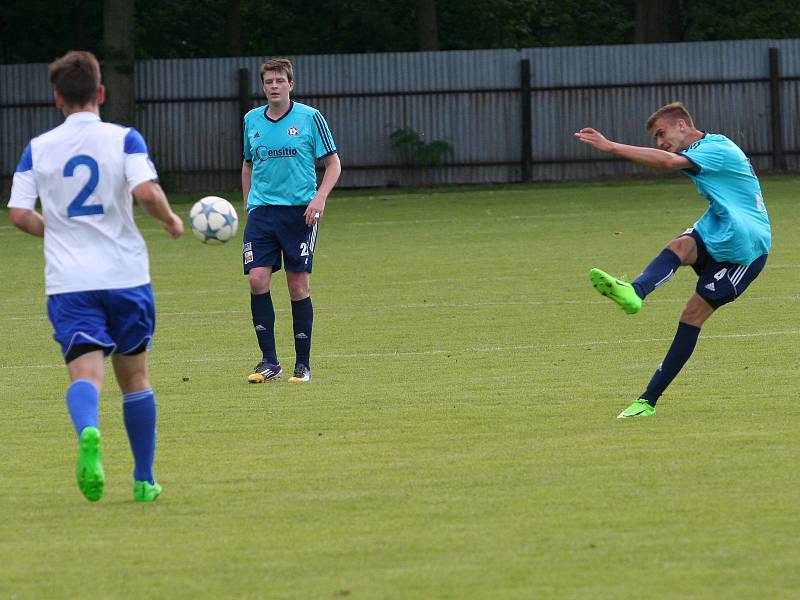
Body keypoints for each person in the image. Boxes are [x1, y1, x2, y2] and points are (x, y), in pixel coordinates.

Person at [8, 51, 183, 501]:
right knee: (135, 378)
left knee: (85, 373)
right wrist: (168, 219)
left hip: (70, 282)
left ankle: (89, 430)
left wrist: (56, 230)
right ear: (100, 93)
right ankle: (144, 480)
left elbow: (18, 213)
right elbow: (145, 191)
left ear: (57, 99)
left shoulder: (38, 148)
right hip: (125, 275)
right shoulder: (124, 138)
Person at [575, 101, 771, 419]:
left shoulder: (715, 148)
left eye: (661, 133)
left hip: (746, 247)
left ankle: (647, 400)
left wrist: (611, 146)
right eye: (655, 137)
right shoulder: (708, 147)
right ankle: (634, 293)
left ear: (682, 125)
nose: (660, 141)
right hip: (721, 225)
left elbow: (668, 162)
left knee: (692, 314)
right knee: (679, 247)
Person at [241, 57, 341, 384]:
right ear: (263, 86)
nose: (273, 86)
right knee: (257, 280)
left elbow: (334, 164)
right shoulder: (251, 120)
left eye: (279, 81)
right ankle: (270, 361)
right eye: (268, 82)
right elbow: (247, 164)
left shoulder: (310, 118)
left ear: (290, 84)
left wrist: (320, 197)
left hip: (300, 213)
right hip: (262, 214)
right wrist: (248, 205)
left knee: (297, 286)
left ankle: (303, 363)